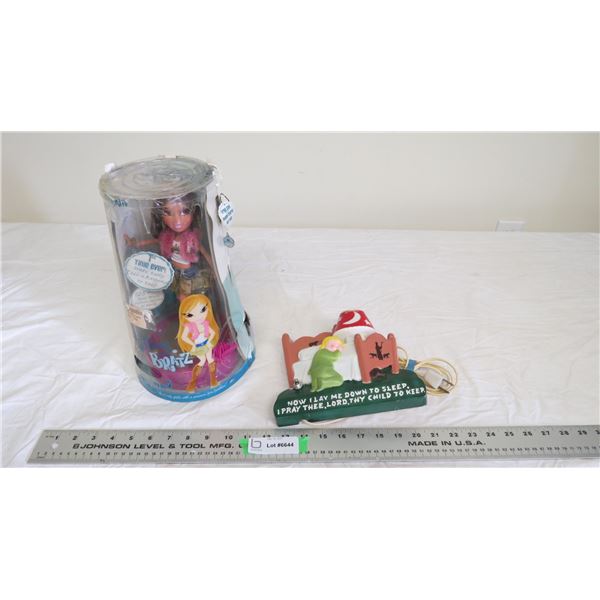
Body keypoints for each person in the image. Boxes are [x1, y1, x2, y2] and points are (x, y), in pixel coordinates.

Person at [125, 193, 213, 300]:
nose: (177, 220)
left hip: (187, 273)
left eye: (185, 211)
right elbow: (153, 241)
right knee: (174, 294)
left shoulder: (192, 240)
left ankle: (188, 309)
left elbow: (204, 253)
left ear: (194, 213)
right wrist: (135, 243)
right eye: (168, 213)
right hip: (172, 270)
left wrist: (214, 269)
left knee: (184, 297)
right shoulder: (167, 237)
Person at [177, 294, 220, 391]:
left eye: (203, 310)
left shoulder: (205, 323)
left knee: (210, 359)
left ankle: (213, 381)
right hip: (198, 346)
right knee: (202, 360)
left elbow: (213, 332)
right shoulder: (189, 326)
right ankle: (192, 384)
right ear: (184, 316)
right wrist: (193, 344)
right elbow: (183, 337)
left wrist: (209, 341)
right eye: (190, 315)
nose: (199, 316)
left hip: (206, 344)